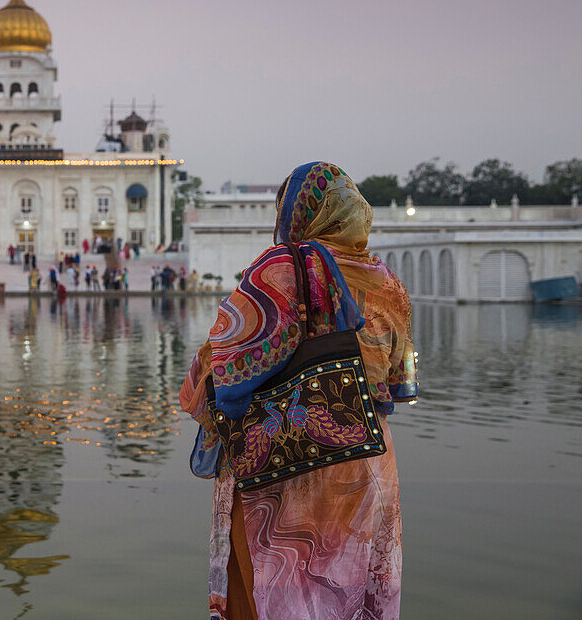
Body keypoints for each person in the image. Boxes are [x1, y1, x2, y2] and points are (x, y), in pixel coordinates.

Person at [178, 162, 417, 620]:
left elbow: (218, 371)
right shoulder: (388, 283)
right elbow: (394, 386)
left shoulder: (281, 268)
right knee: (351, 597)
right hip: (365, 461)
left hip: (283, 465)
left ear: (293, 213)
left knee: (274, 596)